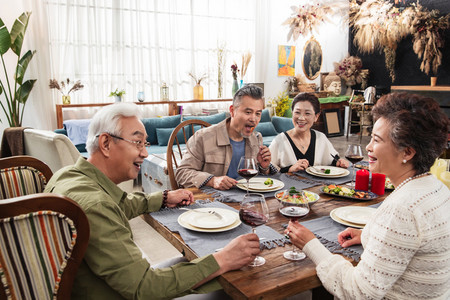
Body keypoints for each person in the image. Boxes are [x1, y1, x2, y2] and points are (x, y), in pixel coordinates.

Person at [44, 103, 261, 299]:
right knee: (238, 285)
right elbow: (144, 287)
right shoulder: (96, 205)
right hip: (127, 292)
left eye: (145, 143)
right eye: (137, 142)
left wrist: (164, 197)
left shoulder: (69, 176)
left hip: (102, 284)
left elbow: (118, 206)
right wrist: (223, 259)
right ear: (106, 143)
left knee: (197, 263)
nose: (146, 153)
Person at [286, 93, 450, 299]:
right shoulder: (437, 189)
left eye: (377, 140)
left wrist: (310, 244)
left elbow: (359, 292)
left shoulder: (402, 209)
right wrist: (368, 235)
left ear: (407, 153)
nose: (368, 147)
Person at [175, 85, 278, 190]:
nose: (253, 119)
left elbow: (259, 178)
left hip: (247, 197)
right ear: (232, 111)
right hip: (214, 200)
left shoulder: (256, 138)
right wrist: (212, 180)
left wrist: (264, 167)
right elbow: (182, 173)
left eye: (258, 113)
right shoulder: (202, 137)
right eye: (248, 112)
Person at [269, 92, 348, 173]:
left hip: (319, 185)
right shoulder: (279, 141)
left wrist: (339, 163)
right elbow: (267, 171)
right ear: (292, 113)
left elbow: (332, 160)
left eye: (307, 113)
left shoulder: (320, 138)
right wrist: (289, 169)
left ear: (316, 117)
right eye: (297, 112)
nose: (301, 118)